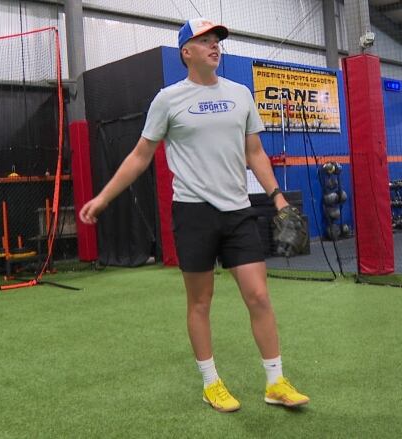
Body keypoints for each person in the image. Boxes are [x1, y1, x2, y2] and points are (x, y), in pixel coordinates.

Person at [79, 17, 309, 413]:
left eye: (217, 39)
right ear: (187, 52)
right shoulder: (168, 99)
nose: (215, 45)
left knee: (259, 295)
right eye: (205, 40)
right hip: (193, 213)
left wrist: (278, 199)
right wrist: (102, 198)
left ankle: (275, 382)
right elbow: (140, 156)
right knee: (200, 302)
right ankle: (211, 383)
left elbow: (254, 153)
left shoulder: (240, 95)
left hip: (238, 211)